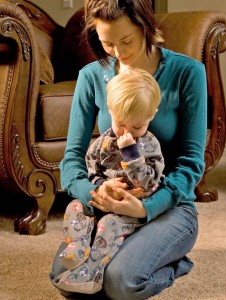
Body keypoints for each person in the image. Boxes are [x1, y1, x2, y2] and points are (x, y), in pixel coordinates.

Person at [49, 0, 207, 299]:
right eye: (108, 43)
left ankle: (176, 262)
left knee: (120, 284)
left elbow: (191, 163)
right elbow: (71, 159)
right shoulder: (92, 76)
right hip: (106, 206)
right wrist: (94, 193)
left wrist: (146, 207)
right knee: (67, 281)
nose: (119, 53)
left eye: (126, 40)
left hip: (169, 206)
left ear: (146, 28)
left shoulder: (188, 73)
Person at [55, 68, 165, 294]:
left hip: (129, 210)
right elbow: (92, 169)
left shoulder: (150, 145)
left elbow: (149, 183)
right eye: (121, 123)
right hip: (103, 201)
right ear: (111, 112)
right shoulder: (103, 141)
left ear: (151, 116)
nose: (128, 132)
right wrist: (100, 188)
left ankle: (93, 272)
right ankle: (77, 246)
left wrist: (131, 156)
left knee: (109, 226)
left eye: (137, 126)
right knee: (74, 207)